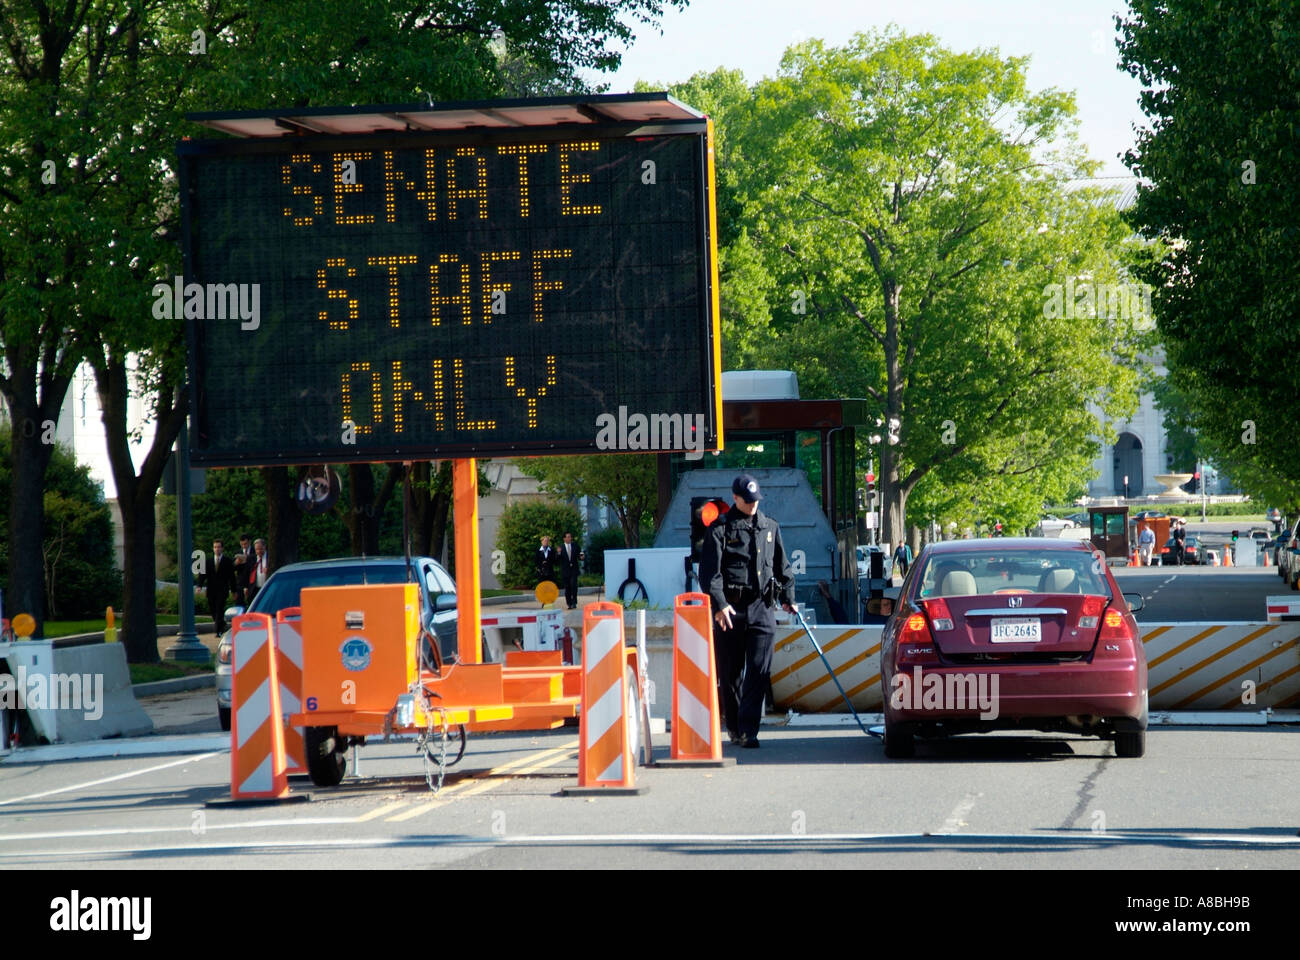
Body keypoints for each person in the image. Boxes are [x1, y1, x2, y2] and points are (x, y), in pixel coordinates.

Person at [703, 475, 796, 749]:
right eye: (748, 501)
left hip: (762, 607)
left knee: (759, 670)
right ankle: (734, 726)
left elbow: (783, 567)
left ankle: (748, 729)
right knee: (731, 674)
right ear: (735, 498)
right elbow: (710, 574)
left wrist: (789, 597)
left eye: (756, 500)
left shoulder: (770, 527)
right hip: (730, 609)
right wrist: (719, 605)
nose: (753, 505)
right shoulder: (720, 529)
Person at [202, 539, 237, 634]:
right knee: (213, 609)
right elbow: (203, 575)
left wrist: (234, 591)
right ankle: (221, 623)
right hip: (211, 590)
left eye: (218, 547)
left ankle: (218, 630)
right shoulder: (208, 561)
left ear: (222, 548)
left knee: (219, 609)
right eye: (215, 547)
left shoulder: (227, 561)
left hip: (222, 590)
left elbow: (232, 577)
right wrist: (199, 586)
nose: (217, 549)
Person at [557, 532, 584, 609]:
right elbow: (557, 559)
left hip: (574, 570)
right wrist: (558, 553)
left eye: (570, 537)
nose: (569, 538)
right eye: (567, 537)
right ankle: (569, 603)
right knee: (567, 587)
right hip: (565, 570)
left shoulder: (575, 545)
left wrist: (582, 557)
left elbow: (580, 553)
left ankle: (574, 602)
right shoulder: (561, 547)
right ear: (564, 538)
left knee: (573, 586)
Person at [232, 533, 254, 606]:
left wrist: (246, 558)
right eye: (242, 544)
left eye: (246, 544)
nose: (244, 546)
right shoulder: (237, 552)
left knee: (252, 601)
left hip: (251, 580)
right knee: (239, 602)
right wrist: (236, 563)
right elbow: (232, 568)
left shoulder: (254, 551)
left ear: (249, 542)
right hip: (241, 581)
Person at [246, 537, 270, 604]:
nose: (259, 551)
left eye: (261, 549)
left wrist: (269, 570)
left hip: (267, 588)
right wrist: (246, 587)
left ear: (264, 547)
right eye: (257, 549)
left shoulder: (270, 557)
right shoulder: (251, 558)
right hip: (255, 588)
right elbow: (247, 573)